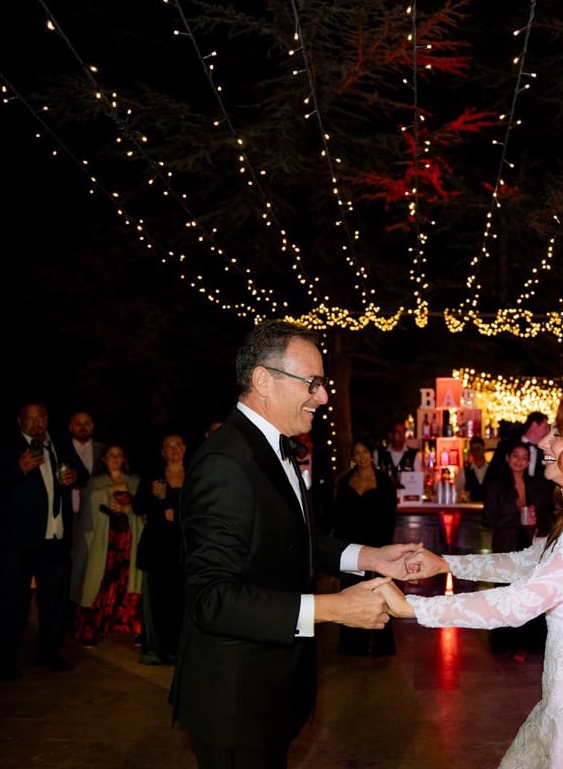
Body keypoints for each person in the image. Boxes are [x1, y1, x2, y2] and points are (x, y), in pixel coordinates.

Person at [168, 320, 422, 768]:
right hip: (237, 701)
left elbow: (291, 539)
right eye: (312, 383)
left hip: (271, 692)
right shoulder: (225, 463)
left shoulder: (273, 447)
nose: (322, 397)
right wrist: (333, 608)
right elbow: (212, 599)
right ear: (263, 381)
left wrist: (368, 556)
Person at [380, 397, 563, 769]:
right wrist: (445, 563)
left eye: (558, 435)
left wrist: (413, 606)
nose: (543, 443)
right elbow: (526, 562)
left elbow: (518, 604)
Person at [0, 401, 78, 680]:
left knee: (53, 602)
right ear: (19, 422)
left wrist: (73, 475)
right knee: (12, 602)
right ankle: (5, 661)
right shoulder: (6, 448)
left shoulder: (59, 445)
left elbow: (81, 472)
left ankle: (49, 653)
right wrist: (19, 468)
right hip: (17, 542)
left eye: (41, 417)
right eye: (31, 418)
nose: (37, 423)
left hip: (54, 538)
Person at [480, 438, 554, 659]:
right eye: (515, 456)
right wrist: (515, 519)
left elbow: (546, 514)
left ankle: (527, 643)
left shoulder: (536, 484)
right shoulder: (496, 485)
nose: (520, 461)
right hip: (506, 546)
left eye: (524, 458)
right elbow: (488, 520)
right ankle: (506, 643)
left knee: (529, 593)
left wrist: (535, 520)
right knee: (506, 593)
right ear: (507, 458)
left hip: (529, 545)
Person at [70, 443, 143, 647]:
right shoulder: (95, 481)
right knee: (98, 581)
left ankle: (130, 627)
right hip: (103, 540)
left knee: (127, 581)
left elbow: (142, 507)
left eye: (119, 455)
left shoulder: (134, 481)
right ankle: (89, 629)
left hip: (127, 541)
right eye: (111, 454)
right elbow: (87, 504)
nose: (115, 458)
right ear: (104, 458)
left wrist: (129, 508)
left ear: (124, 458)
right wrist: (109, 491)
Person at [331, 440, 398, 657]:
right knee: (351, 593)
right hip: (351, 547)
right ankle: (352, 645)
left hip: (377, 545)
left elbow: (390, 518)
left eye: (365, 451)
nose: (361, 457)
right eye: (357, 453)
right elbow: (339, 517)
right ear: (353, 457)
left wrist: (384, 549)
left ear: (372, 454)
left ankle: (380, 645)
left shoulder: (384, 482)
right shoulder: (345, 481)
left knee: (379, 593)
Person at [133, 432, 187, 665]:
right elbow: (138, 507)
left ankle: (181, 650)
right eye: (168, 446)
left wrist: (175, 510)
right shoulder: (153, 477)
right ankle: (157, 650)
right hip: (157, 548)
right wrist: (154, 498)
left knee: (182, 600)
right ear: (163, 452)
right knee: (157, 601)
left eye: (177, 445)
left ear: (184, 449)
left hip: (184, 549)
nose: (173, 449)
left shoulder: (195, 475)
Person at [62, 409, 105, 515]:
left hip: (98, 508)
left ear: (92, 426)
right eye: (78, 423)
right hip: (68, 509)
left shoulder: (103, 449)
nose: (82, 427)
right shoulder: (60, 450)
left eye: (86, 423)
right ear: (70, 427)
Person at [375, 417, 418, 488]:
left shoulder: (413, 455)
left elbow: (418, 482)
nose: (401, 436)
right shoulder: (379, 454)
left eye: (403, 432)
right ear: (390, 435)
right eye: (398, 432)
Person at [454, 435, 489, 502]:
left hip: (490, 508)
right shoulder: (464, 471)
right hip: (470, 508)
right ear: (470, 452)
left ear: (484, 450)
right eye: (473, 449)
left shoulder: (493, 470)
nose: (476, 452)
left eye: (478, 448)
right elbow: (456, 492)